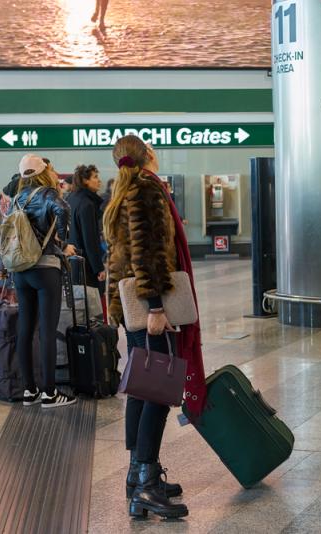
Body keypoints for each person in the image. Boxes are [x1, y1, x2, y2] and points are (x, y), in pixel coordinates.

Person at [104, 135, 205, 520]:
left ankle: (138, 476)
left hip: (131, 308)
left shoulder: (122, 191)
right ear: (146, 155)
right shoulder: (146, 189)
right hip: (148, 309)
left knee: (144, 390)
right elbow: (147, 253)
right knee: (159, 391)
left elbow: (119, 258)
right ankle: (146, 482)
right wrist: (157, 306)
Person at [10, 154, 77, 409]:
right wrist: (63, 239)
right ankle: (49, 393)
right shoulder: (48, 194)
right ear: (42, 171)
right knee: (47, 329)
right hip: (45, 268)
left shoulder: (17, 198)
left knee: (25, 329)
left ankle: (29, 390)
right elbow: (63, 208)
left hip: (21, 269)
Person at [66, 165, 105, 294]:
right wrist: (98, 267)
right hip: (86, 264)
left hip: (72, 259)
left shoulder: (71, 198)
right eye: (95, 177)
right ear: (85, 180)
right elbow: (90, 239)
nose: (99, 180)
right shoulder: (87, 204)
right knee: (91, 307)